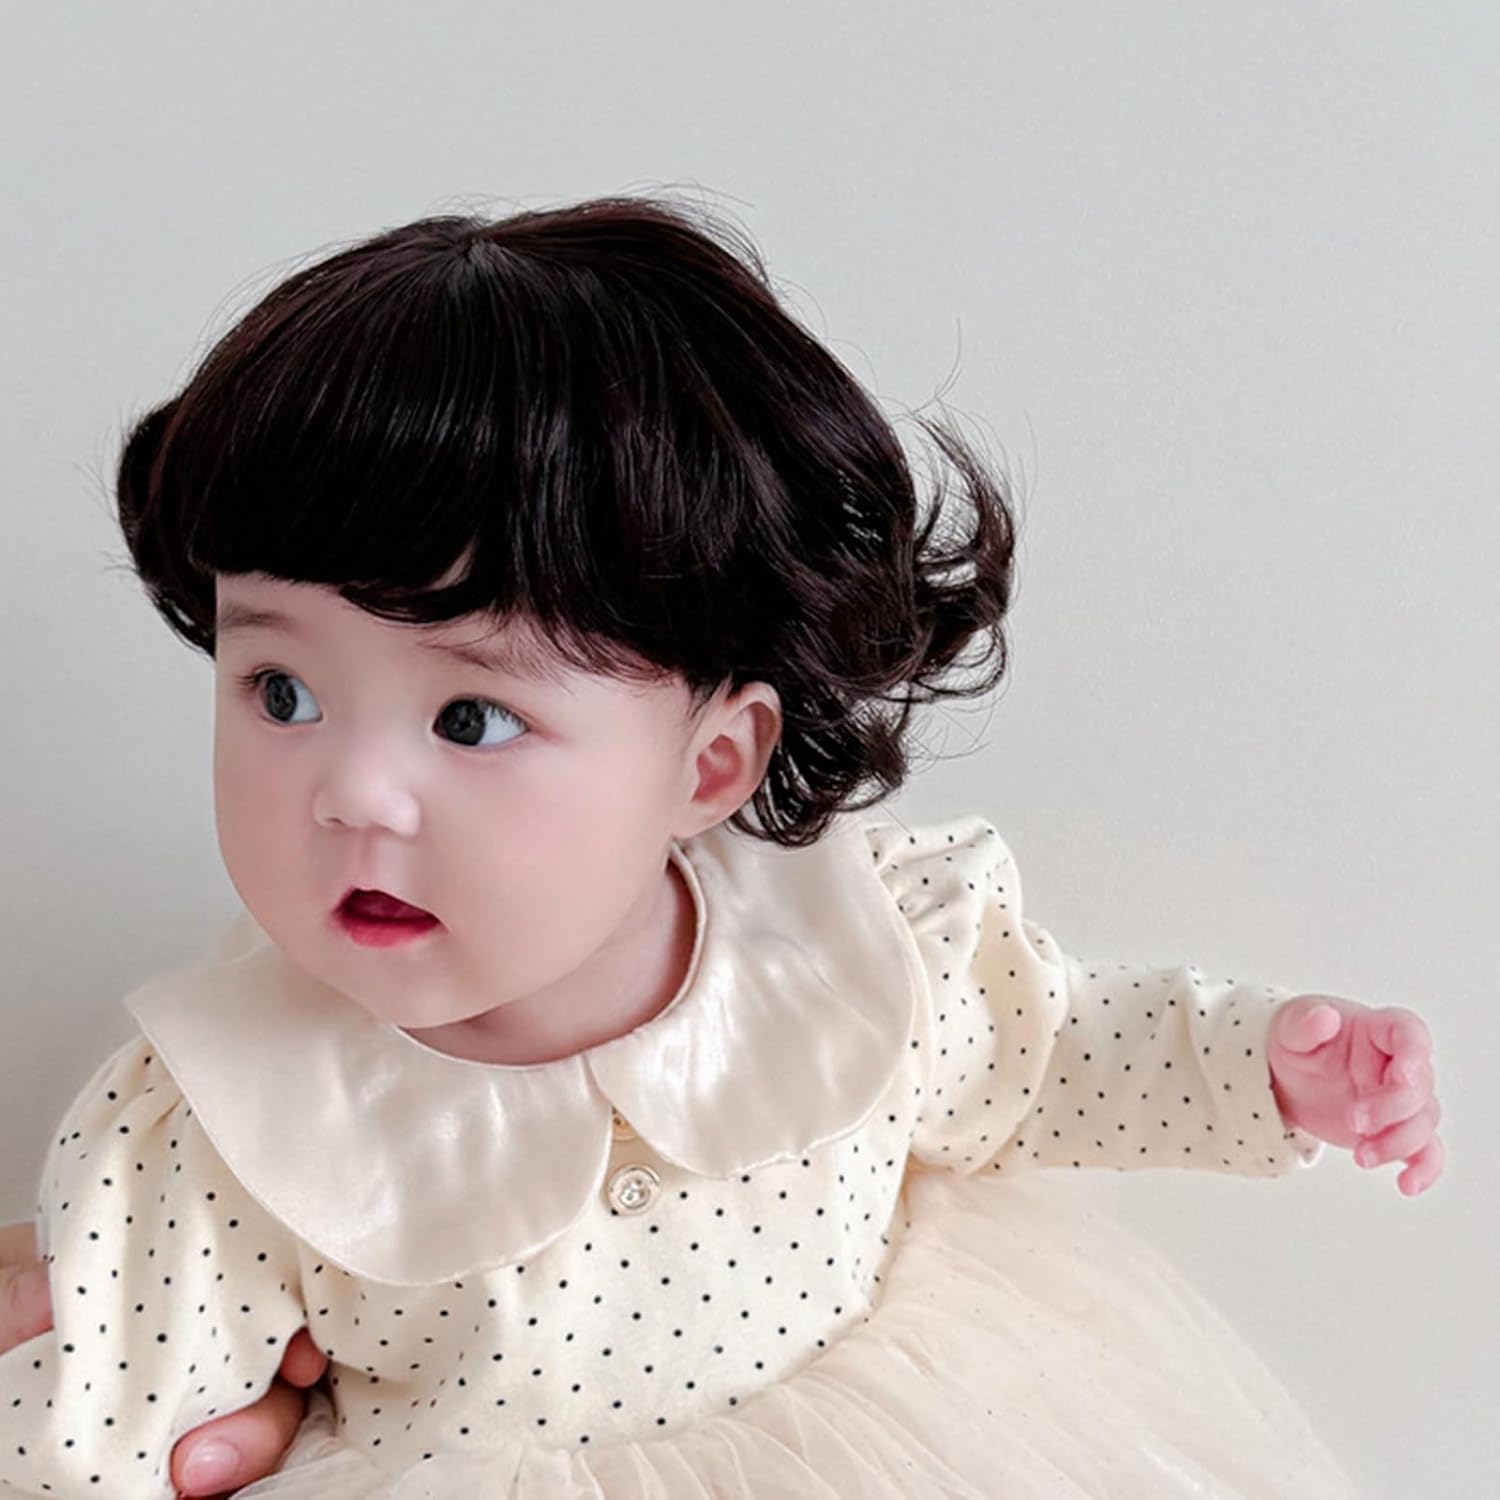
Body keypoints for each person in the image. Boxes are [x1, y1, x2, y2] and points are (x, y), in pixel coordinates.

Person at [0, 196, 1442, 1499]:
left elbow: (1041, 1052)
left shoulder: (847, 944)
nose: (352, 795)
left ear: (709, 763)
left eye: (472, 717)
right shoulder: (230, 1117)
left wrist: (1259, 1065)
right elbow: (91, 1430)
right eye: (281, 693)